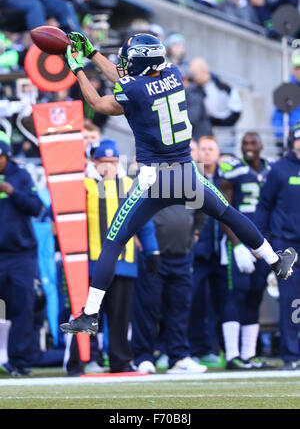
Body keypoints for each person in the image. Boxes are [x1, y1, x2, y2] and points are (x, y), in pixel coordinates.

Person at [59, 31, 297, 337]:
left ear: (140, 65)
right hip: (187, 173)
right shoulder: (171, 73)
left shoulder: (135, 90)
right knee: (229, 214)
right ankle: (276, 261)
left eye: (129, 61)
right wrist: (92, 54)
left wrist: (77, 69)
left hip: (154, 177)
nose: (124, 65)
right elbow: (126, 77)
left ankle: (90, 314)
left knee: (115, 241)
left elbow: (98, 102)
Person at [64, 138, 160, 375]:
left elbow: (144, 222)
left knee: (120, 317)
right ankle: (77, 362)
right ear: (94, 162)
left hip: (124, 262)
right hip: (91, 264)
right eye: (104, 161)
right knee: (86, 314)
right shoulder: (83, 185)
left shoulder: (130, 185)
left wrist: (152, 250)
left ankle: (121, 361)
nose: (109, 166)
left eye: (113, 161)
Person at [132, 195, 206, 374]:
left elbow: (203, 209)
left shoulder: (191, 182)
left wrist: (196, 231)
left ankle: (178, 356)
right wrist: (134, 237)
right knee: (147, 307)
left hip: (182, 255)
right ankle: (143, 356)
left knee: (180, 307)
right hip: (153, 254)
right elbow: (130, 210)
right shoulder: (147, 180)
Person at [218, 132, 274, 369]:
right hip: (238, 243)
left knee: (255, 296)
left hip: (264, 244)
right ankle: (232, 356)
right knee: (235, 296)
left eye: (252, 143)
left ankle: (249, 355)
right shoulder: (232, 169)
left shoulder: (272, 170)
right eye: (244, 144)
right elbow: (221, 208)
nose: (248, 148)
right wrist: (238, 244)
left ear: (261, 146)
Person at [256, 122, 300, 370]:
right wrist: (261, 239)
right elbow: (264, 205)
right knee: (292, 303)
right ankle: (291, 356)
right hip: (289, 248)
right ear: (292, 142)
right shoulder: (280, 170)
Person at [0, 131, 43, 376]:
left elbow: (37, 207)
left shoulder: (21, 175)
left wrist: (13, 192)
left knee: (23, 307)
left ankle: (19, 361)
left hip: (20, 255)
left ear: (5, 156)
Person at [188, 136, 230, 367]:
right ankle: (196, 348)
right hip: (199, 250)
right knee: (194, 301)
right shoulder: (192, 177)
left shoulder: (227, 178)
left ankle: (218, 347)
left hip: (221, 252)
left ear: (218, 152)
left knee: (221, 302)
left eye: (210, 149)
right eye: (202, 149)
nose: (205, 153)